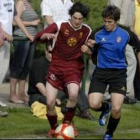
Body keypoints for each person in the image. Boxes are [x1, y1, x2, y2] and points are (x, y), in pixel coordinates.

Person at [81, 5, 140, 140]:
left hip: (118, 74)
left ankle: (109, 133)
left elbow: (138, 46)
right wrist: (88, 50)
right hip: (101, 73)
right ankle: (105, 108)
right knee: (93, 104)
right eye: (105, 21)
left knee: (117, 108)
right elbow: (92, 53)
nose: (106, 24)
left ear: (116, 21)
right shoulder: (97, 33)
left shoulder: (126, 34)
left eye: (110, 22)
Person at [34, 2, 92, 138]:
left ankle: (67, 124)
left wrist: (88, 50)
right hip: (56, 67)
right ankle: (54, 128)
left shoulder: (87, 30)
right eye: (74, 18)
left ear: (83, 19)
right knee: (49, 102)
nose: (77, 21)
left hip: (73, 68)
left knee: (73, 95)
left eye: (80, 19)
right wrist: (46, 36)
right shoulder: (59, 24)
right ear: (70, 16)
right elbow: (39, 36)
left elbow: (92, 51)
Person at [0, 0, 33, 116]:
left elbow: (16, 19)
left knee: (2, 72)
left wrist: (27, 34)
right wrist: (3, 33)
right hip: (2, 38)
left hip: (7, 40)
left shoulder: (11, 1)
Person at [9, 0, 40, 104]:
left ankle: (21, 93)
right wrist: (31, 24)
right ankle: (12, 94)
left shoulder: (29, 4)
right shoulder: (20, 2)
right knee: (18, 66)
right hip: (22, 37)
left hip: (31, 38)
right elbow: (14, 21)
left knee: (27, 66)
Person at [107, 0, 137, 104]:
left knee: (132, 61)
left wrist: (132, 32)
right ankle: (108, 94)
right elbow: (112, 12)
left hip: (126, 31)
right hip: (117, 31)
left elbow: (132, 15)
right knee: (112, 62)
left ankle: (123, 93)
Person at [130, 0, 140, 101]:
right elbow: (131, 26)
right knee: (136, 66)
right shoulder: (132, 5)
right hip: (136, 40)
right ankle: (138, 94)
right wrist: (136, 37)